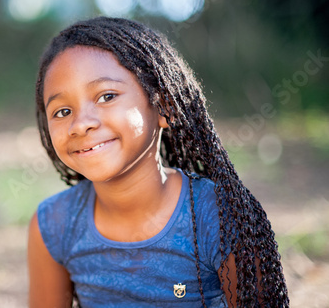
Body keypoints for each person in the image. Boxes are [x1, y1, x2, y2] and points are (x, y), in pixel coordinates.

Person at [27, 17, 289, 307]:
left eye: (107, 96)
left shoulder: (217, 216)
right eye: (62, 111)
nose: (80, 124)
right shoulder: (54, 225)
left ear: (164, 106)